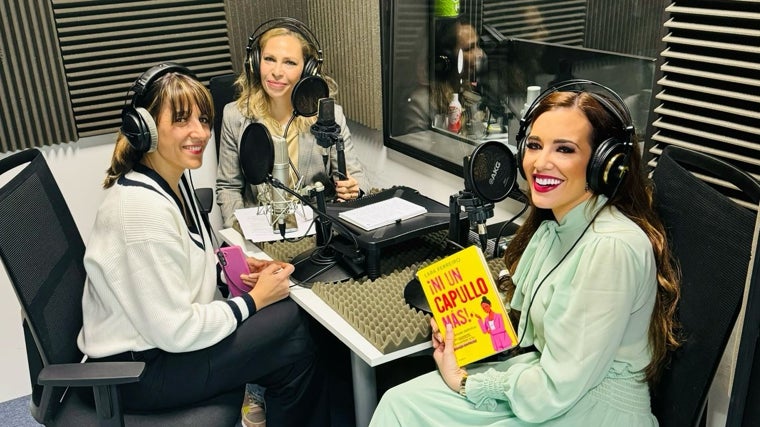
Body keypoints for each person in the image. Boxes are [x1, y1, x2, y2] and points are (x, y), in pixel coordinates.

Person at [370, 86, 681, 426]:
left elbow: (557, 388)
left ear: (604, 164)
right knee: (398, 403)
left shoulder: (612, 249)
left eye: (564, 149)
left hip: (591, 409)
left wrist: (467, 381)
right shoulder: (555, 226)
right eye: (534, 145)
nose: (540, 162)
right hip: (552, 384)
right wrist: (466, 329)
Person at [76, 63, 329, 427]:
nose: (200, 133)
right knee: (291, 326)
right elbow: (177, 330)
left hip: (156, 350)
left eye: (204, 120)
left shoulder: (173, 181)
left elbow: (187, 262)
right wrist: (253, 301)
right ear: (145, 128)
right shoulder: (140, 212)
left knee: (291, 348)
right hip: (134, 374)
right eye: (181, 120)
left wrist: (237, 273)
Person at [216, 17, 368, 229]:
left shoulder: (329, 115)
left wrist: (355, 190)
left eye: (289, 62)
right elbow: (228, 187)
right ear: (256, 62)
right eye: (269, 59)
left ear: (307, 71)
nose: (277, 71)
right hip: (262, 227)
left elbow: (357, 176)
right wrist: (240, 231)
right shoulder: (235, 116)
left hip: (318, 227)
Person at [398, 16, 486, 136]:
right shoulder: (421, 103)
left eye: (478, 45)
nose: (480, 54)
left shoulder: (465, 90)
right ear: (446, 58)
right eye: (469, 48)